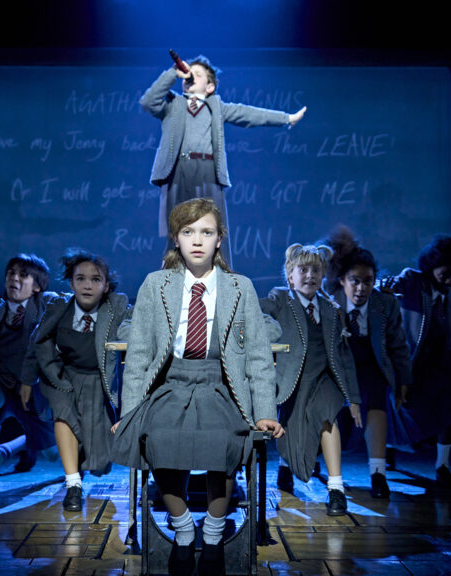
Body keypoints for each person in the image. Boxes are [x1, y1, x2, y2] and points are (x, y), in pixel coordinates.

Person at [111, 198, 283, 576]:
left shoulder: (239, 287)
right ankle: (184, 529)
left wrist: (265, 413)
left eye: (207, 232)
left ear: (220, 238)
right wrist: (129, 413)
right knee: (159, 438)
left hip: (220, 385)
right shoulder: (156, 284)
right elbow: (138, 356)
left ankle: (215, 534)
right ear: (176, 239)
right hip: (171, 384)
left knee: (225, 441)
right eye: (188, 232)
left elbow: (257, 356)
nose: (198, 240)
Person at [141, 54, 307, 266]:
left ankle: (220, 272)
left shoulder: (217, 108)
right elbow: (148, 101)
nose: (190, 76)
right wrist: (173, 73)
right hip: (179, 170)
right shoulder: (173, 104)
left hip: (208, 171)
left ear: (210, 87)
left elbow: (249, 114)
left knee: (213, 225)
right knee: (179, 226)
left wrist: (286, 119)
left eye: (197, 74)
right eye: (188, 73)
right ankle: (171, 272)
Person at [21, 249, 130, 512]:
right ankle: (73, 486)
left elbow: (130, 324)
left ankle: (78, 466)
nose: (87, 285)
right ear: (71, 283)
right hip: (62, 378)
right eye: (80, 279)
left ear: (106, 286)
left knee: (99, 460)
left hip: (97, 383)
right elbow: (37, 342)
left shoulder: (115, 307)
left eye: (95, 279)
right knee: (64, 416)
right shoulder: (59, 307)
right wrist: (27, 380)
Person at [259, 243, 361, 515]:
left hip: (325, 381)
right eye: (303, 270)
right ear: (290, 276)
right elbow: (256, 310)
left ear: (323, 275)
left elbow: (344, 356)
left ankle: (336, 489)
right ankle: (286, 464)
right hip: (293, 383)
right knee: (293, 436)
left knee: (327, 417)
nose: (309, 275)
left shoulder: (330, 309)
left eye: (315, 270)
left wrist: (353, 398)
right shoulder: (281, 298)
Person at [324, 226, 412, 498]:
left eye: (368, 281)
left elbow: (398, 345)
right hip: (338, 367)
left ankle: (378, 474)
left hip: (371, 366)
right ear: (342, 280)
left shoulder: (385, 304)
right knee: (334, 415)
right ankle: (329, 475)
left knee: (376, 400)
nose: (361, 288)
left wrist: (403, 381)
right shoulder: (329, 304)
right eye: (355, 281)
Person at [0, 254, 60, 502]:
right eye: (11, 273)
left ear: (37, 286)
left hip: (35, 392)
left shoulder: (47, 304)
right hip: (2, 383)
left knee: (53, 453)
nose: (14, 278)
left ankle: (22, 448)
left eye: (23, 275)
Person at [379, 235, 451, 487]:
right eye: (445, 274)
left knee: (450, 409)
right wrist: (385, 288)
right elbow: (386, 285)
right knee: (397, 410)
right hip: (408, 364)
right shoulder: (414, 280)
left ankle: (442, 466)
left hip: (434, 366)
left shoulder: (444, 294)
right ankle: (386, 450)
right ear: (430, 270)